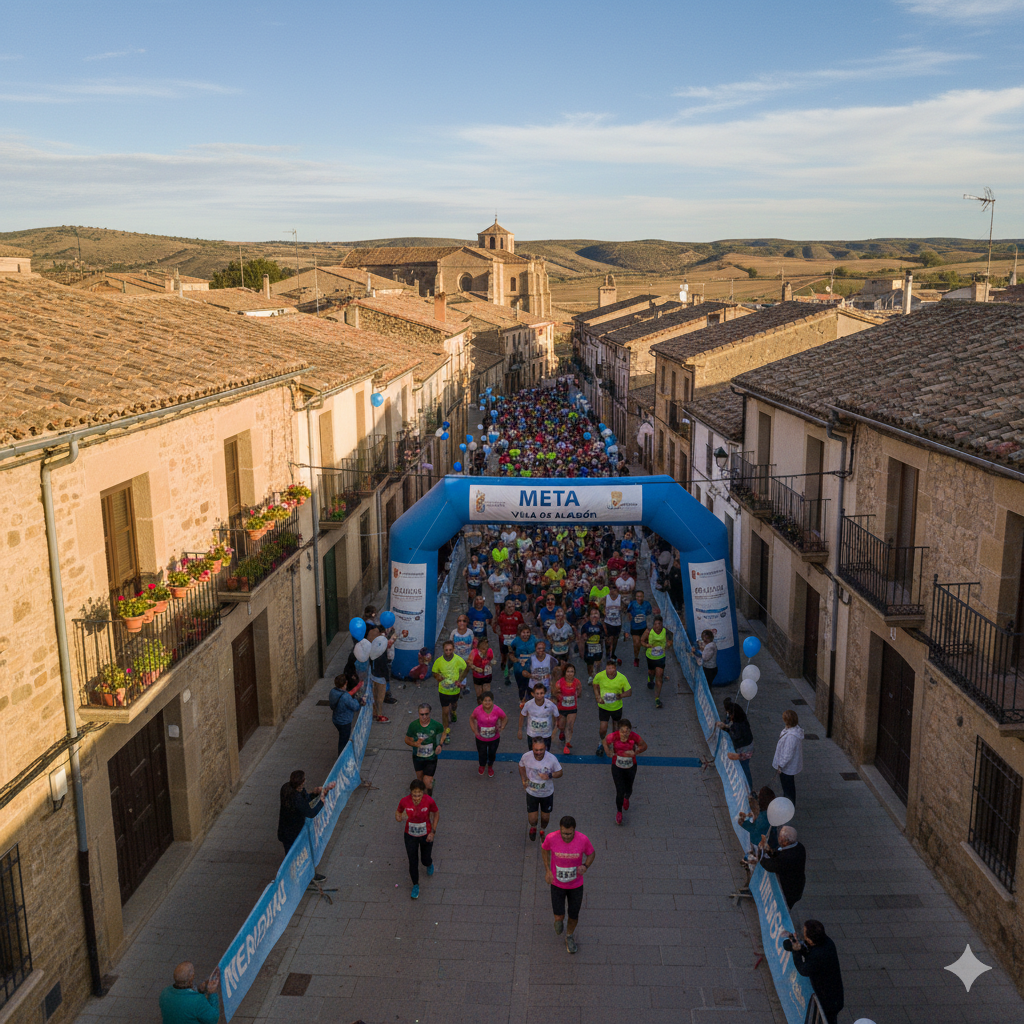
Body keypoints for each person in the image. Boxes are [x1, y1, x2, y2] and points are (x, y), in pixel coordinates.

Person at [541, 816, 595, 955]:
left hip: (576, 885)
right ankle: (559, 921)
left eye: (569, 833)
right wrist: (547, 870)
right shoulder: (552, 838)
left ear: (574, 830)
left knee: (573, 915)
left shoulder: (583, 839)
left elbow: (591, 853)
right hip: (557, 884)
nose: (566, 836)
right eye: (564, 833)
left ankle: (569, 936)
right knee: (559, 919)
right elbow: (544, 849)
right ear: (560, 829)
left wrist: (585, 866)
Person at [277, 770, 336, 881]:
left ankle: (298, 877)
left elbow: (305, 799)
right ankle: (302, 879)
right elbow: (310, 812)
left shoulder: (286, 788)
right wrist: (322, 800)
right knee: (297, 856)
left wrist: (314, 793)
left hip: (286, 830)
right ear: (302, 781)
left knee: (291, 856)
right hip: (293, 832)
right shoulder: (296, 799)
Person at [783, 920, 844, 1024]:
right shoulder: (826, 942)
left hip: (828, 1001)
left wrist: (795, 950)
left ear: (811, 940)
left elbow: (803, 969)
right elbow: (807, 950)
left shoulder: (818, 956)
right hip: (833, 996)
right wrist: (795, 944)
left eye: (804, 933)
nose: (802, 934)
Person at [395, 779, 439, 899]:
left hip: (426, 835)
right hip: (410, 836)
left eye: (419, 795)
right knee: (413, 861)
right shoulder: (404, 801)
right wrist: (399, 817)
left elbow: (436, 813)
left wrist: (433, 832)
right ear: (411, 793)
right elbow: (398, 812)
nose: (416, 798)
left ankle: (429, 863)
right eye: (414, 795)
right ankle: (415, 885)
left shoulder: (429, 801)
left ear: (423, 793)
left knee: (424, 860)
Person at [602, 718, 647, 824]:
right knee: (619, 790)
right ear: (619, 730)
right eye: (622, 731)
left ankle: (627, 797)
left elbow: (644, 746)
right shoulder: (614, 736)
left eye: (627, 731)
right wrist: (608, 752)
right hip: (617, 766)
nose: (624, 734)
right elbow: (605, 742)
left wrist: (636, 752)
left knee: (629, 787)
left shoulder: (634, 737)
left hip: (631, 766)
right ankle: (619, 812)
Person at [519, 735, 563, 841]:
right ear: (532, 748)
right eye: (536, 750)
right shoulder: (526, 756)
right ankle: (533, 827)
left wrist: (549, 776)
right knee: (532, 819)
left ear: (546, 748)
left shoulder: (551, 759)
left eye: (541, 750)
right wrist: (524, 779)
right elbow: (521, 766)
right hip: (532, 793)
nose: (539, 752)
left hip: (547, 793)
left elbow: (560, 772)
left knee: (545, 818)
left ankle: (542, 829)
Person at [759, 825, 806, 913]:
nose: (778, 839)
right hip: (796, 885)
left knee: (782, 909)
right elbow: (777, 854)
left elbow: (770, 866)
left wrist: (761, 855)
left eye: (780, 837)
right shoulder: (799, 846)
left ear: (785, 841)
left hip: (789, 890)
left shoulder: (788, 857)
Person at [591, 658, 631, 756]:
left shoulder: (622, 678)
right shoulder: (600, 676)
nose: (610, 670)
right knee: (603, 728)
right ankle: (601, 743)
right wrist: (597, 696)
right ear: (606, 668)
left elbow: (629, 692)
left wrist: (620, 696)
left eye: (612, 668)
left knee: (616, 727)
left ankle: (614, 745)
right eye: (608, 668)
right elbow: (595, 684)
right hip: (604, 707)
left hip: (616, 707)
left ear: (615, 668)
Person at [404, 703, 447, 794]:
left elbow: (443, 734)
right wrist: (415, 744)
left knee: (427, 782)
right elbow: (407, 739)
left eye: (426, 714)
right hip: (418, 757)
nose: (424, 717)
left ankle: (428, 800)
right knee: (420, 780)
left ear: (430, 713)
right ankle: (423, 796)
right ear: (418, 714)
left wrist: (440, 745)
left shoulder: (436, 725)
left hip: (431, 758)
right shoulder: (413, 726)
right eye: (421, 714)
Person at [432, 639, 468, 734]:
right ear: (443, 650)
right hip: (443, 691)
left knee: (454, 705)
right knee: (445, 711)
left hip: (455, 691)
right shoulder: (439, 661)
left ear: (453, 649)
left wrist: (460, 680)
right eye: (446, 650)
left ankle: (454, 712)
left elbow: (466, 669)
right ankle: (445, 731)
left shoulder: (458, 660)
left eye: (450, 650)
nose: (448, 652)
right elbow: (434, 672)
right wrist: (438, 677)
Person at [719, 700, 754, 792]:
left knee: (744, 768)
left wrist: (726, 728)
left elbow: (735, 736)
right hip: (748, 747)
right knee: (744, 767)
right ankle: (747, 787)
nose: (729, 716)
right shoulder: (741, 719)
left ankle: (748, 789)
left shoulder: (737, 725)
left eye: (730, 714)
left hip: (744, 749)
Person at [470, 692, 508, 776]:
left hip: (494, 738)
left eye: (489, 700)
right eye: (485, 701)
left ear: (492, 701)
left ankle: (490, 765)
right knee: (481, 752)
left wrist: (502, 727)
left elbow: (504, 718)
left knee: (492, 753)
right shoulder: (477, 710)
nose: (487, 703)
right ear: (481, 701)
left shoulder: (497, 710)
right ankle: (482, 765)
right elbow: (471, 719)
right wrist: (475, 731)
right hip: (481, 738)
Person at [772, 709, 805, 806]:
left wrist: (780, 765)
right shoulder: (791, 731)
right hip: (788, 766)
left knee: (788, 787)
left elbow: (787, 754)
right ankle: (787, 803)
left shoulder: (791, 737)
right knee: (788, 786)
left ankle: (789, 806)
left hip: (787, 767)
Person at [328, 672, 365, 753]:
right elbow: (356, 707)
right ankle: (341, 758)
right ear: (345, 683)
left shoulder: (333, 691)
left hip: (336, 719)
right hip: (344, 722)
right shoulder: (345, 697)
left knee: (342, 737)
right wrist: (356, 700)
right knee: (343, 741)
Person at [640, 614, 670, 709]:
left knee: (659, 677)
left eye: (659, 624)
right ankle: (650, 678)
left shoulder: (665, 631)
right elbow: (642, 641)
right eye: (656, 624)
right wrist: (647, 645)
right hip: (650, 657)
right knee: (651, 672)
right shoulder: (648, 631)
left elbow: (670, 641)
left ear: (662, 624)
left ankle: (657, 698)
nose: (657, 626)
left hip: (661, 657)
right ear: (653, 625)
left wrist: (667, 645)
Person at [518, 682, 559, 751]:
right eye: (537, 693)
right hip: (532, 734)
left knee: (545, 754)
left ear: (545, 693)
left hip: (546, 735)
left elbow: (557, 717)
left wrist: (554, 731)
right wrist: (520, 730)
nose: (539, 696)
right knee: (532, 754)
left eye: (541, 693)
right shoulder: (528, 704)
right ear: (532, 694)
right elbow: (522, 715)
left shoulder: (551, 705)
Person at [552, 663, 581, 754]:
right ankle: (561, 732)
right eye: (568, 671)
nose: (570, 673)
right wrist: (559, 696)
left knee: (570, 726)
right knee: (561, 726)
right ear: (565, 673)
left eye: (572, 672)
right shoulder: (560, 682)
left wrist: (575, 695)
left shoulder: (577, 682)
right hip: (562, 708)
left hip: (572, 708)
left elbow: (579, 693)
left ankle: (566, 744)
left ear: (574, 673)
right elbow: (555, 693)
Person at [578, 607, 607, 684]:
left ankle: (596, 675)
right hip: (589, 648)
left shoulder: (600, 625)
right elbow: (582, 638)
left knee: (598, 662)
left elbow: (604, 637)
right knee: (589, 664)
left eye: (596, 614)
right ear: (589, 616)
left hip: (598, 648)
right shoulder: (585, 626)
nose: (594, 616)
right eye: (592, 614)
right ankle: (591, 676)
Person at [510, 622, 538, 701]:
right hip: (519, 668)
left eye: (528, 632)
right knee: (521, 686)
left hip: (532, 666)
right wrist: (514, 659)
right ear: (520, 633)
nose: (526, 635)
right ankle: (522, 701)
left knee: (531, 685)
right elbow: (511, 652)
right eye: (523, 632)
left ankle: (531, 701)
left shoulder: (533, 639)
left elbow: (540, 648)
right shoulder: (516, 641)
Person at [497, 600, 525, 679]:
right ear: (505, 607)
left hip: (514, 638)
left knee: (514, 653)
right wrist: (499, 633)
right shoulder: (501, 616)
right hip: (504, 639)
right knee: (504, 654)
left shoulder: (518, 615)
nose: (511, 609)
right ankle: (503, 662)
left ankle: (512, 666)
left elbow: (522, 625)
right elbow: (496, 625)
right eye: (509, 607)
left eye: (513, 607)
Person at [545, 608, 576, 674]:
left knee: (564, 667)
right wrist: (552, 642)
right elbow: (548, 636)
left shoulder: (567, 627)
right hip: (555, 651)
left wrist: (567, 642)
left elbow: (571, 637)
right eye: (558, 616)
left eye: (561, 616)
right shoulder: (552, 627)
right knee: (555, 667)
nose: (559, 618)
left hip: (565, 650)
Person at [627, 590, 652, 667]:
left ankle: (650, 658)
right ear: (635, 597)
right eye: (637, 596)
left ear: (643, 597)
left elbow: (649, 615)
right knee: (636, 644)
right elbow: (628, 612)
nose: (639, 598)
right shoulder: (632, 604)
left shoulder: (647, 604)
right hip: (635, 628)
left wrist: (649, 627)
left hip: (644, 627)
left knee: (647, 643)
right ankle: (636, 658)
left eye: (641, 596)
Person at [603, 587, 623, 665]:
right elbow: (600, 606)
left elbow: (624, 609)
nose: (612, 591)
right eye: (611, 589)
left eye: (614, 590)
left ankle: (612, 653)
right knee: (608, 639)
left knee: (615, 639)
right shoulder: (606, 598)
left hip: (617, 623)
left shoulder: (620, 598)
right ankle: (608, 653)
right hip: (608, 622)